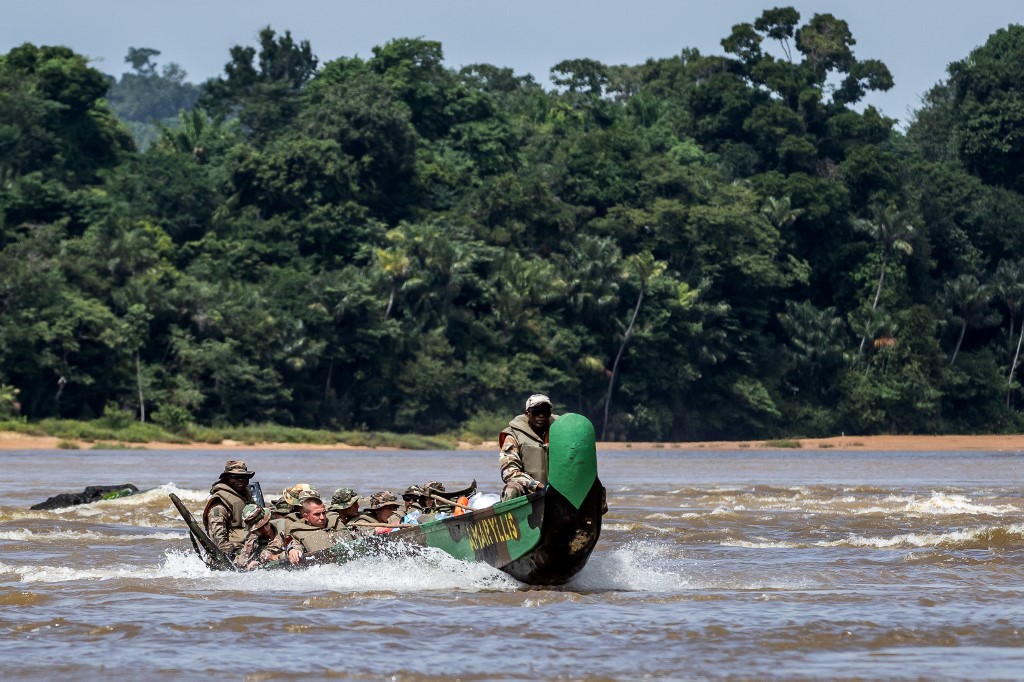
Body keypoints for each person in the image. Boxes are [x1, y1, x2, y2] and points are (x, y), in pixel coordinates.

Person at [499, 394, 556, 501]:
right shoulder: (513, 436)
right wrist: (537, 485)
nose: (541, 415)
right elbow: (509, 472)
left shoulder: (561, 431)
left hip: (559, 491)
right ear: (527, 414)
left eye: (545, 412)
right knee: (511, 488)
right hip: (529, 492)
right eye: (536, 412)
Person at [203, 459, 255, 557]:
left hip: (250, 543)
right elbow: (220, 544)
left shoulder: (245, 496)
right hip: (232, 554)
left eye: (244, 477)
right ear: (226, 479)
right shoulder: (219, 506)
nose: (241, 480)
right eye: (235, 477)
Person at [285, 489, 352, 564]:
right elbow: (294, 544)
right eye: (317, 514)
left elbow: (350, 536)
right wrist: (293, 551)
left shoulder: (335, 521)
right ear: (305, 516)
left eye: (324, 513)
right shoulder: (298, 530)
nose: (322, 517)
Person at [234, 504, 287, 571]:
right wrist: (250, 542)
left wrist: (272, 557)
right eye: (260, 528)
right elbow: (241, 564)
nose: (265, 529)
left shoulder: (284, 526)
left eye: (266, 524)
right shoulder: (255, 539)